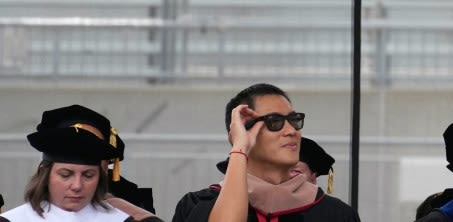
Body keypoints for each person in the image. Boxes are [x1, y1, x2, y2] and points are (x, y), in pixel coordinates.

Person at [170, 83, 358, 222]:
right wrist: (240, 147)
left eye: (294, 120)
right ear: (243, 130)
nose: (291, 130)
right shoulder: (197, 206)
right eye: (274, 121)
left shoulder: (337, 215)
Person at [1, 104, 163, 222]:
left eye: (88, 175)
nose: (77, 185)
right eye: (65, 175)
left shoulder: (122, 220)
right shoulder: (14, 220)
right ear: (44, 173)